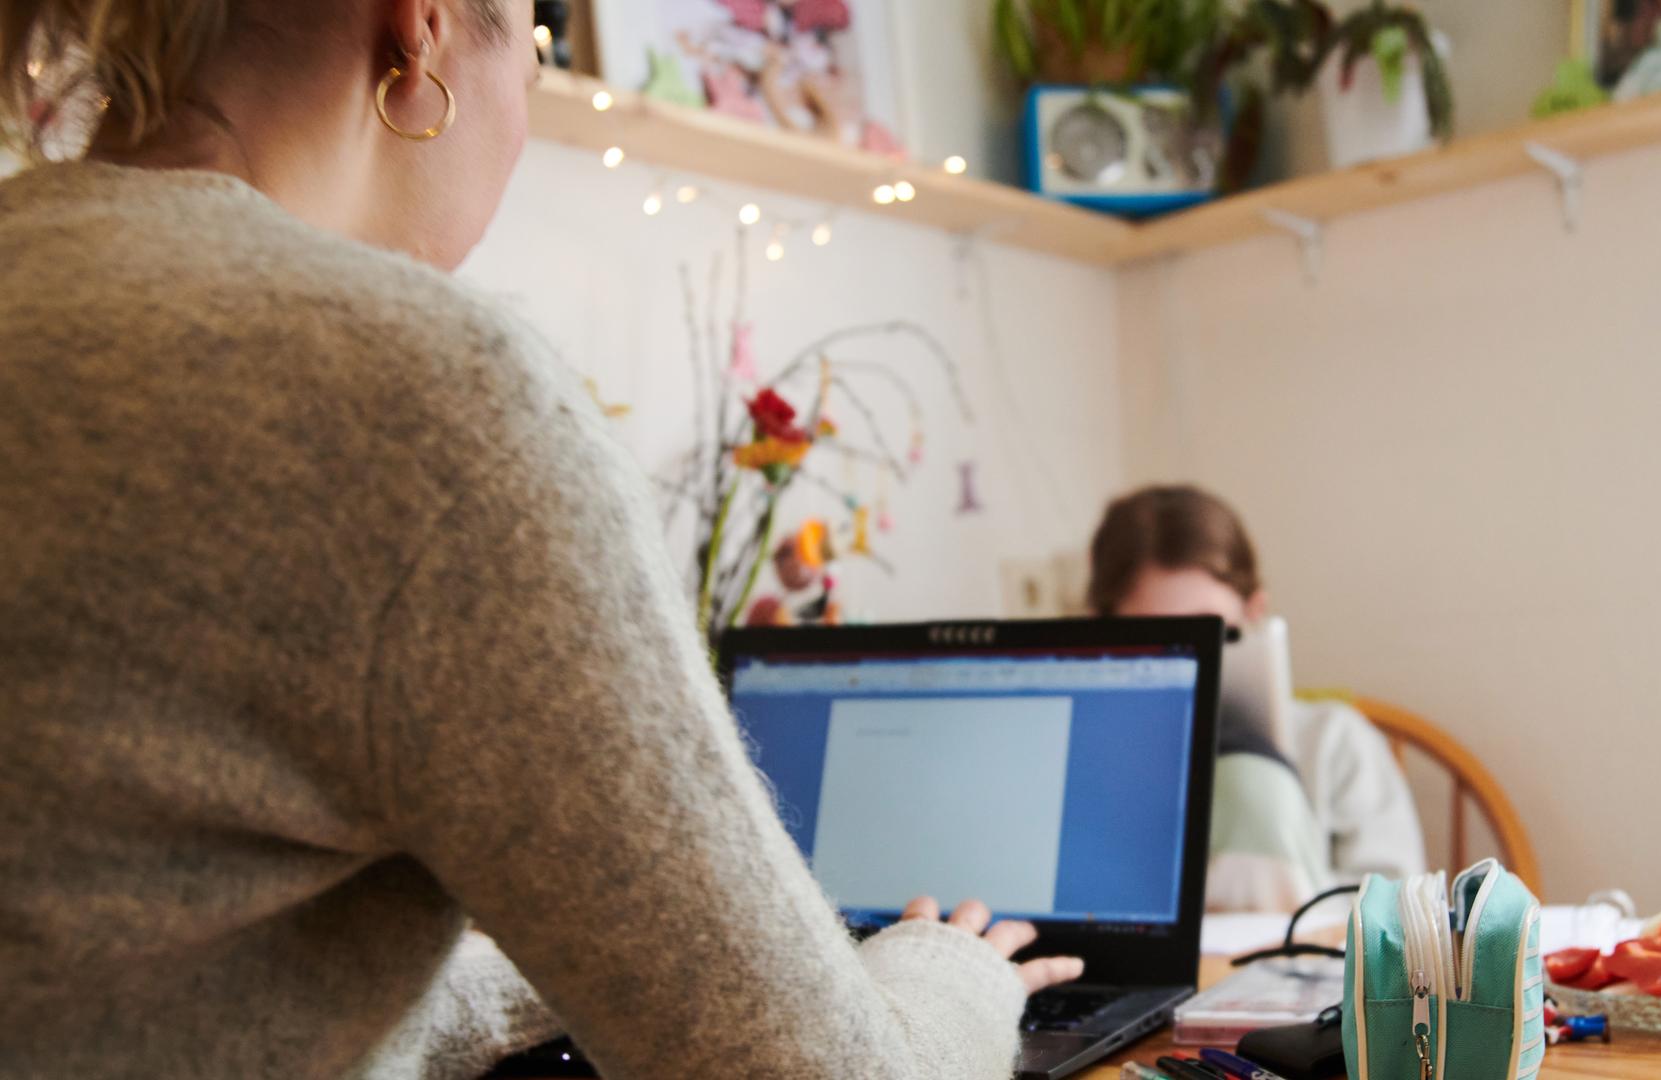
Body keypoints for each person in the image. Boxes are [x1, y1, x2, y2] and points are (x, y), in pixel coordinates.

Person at [0, 3, 1080, 1078]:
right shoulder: (425, 397)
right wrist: (954, 971)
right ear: (419, 28)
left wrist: (591, 969)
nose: (528, 87)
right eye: (535, 42)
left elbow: (177, 994)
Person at [1088, 486, 1428, 894]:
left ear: (1254, 613)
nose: (1189, 662)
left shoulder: (1335, 740)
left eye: (1214, 633)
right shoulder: (1089, 758)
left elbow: (1400, 912)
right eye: (1155, 637)